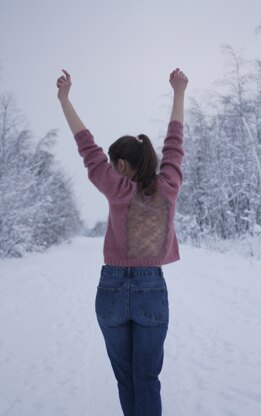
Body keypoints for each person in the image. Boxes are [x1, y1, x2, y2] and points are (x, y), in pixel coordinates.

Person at [56, 67, 188, 416]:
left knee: (125, 379)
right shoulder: (169, 186)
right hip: (151, 291)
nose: (111, 169)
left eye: (114, 165)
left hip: (111, 289)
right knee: (147, 379)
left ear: (122, 165)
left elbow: (88, 148)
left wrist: (64, 100)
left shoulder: (117, 190)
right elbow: (175, 144)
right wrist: (179, 92)